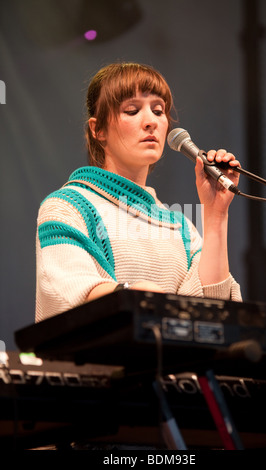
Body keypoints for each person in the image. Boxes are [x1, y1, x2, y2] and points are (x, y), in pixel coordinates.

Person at [35, 62, 242, 323]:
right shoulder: (67, 207)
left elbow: (212, 313)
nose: (150, 122)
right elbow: (67, 289)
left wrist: (215, 214)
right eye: (132, 111)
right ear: (97, 129)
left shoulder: (180, 227)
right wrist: (135, 295)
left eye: (158, 111)